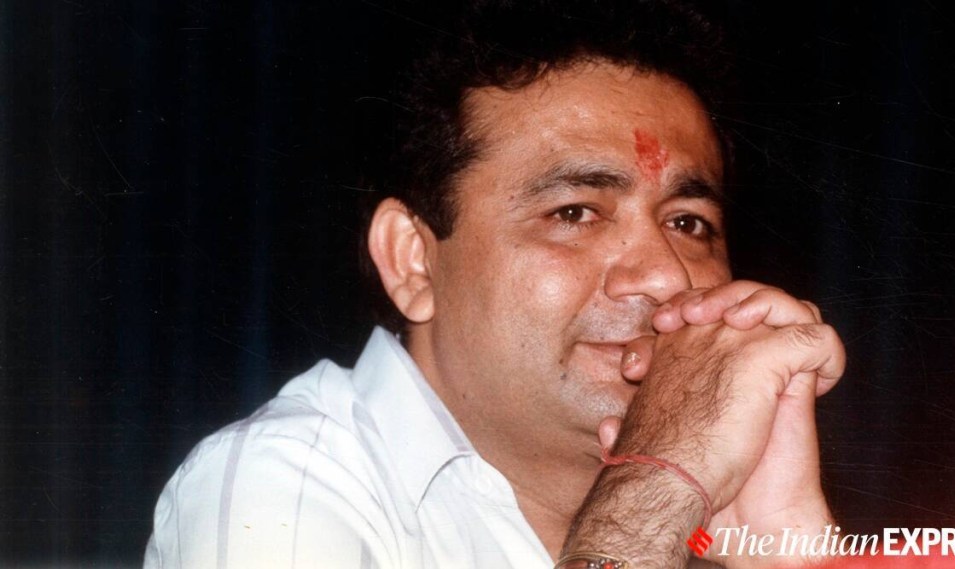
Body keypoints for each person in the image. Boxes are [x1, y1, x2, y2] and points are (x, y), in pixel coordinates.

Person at [144, 1, 846, 567]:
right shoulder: (284, 483)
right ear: (412, 261)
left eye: (689, 222)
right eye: (574, 213)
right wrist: (653, 491)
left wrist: (780, 551)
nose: (666, 274)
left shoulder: (701, 521)